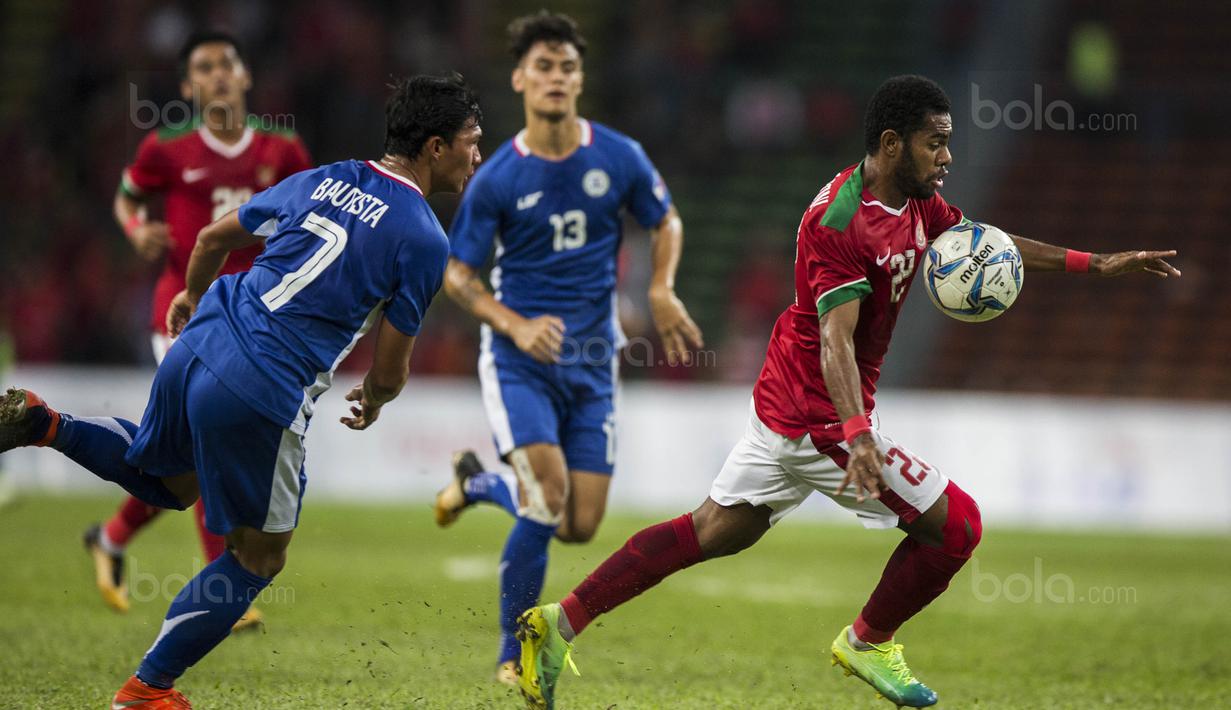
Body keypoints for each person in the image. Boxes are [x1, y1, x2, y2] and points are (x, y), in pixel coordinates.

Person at [514, 75, 1181, 709]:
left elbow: (984, 248)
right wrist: (856, 434)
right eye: (934, 142)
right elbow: (836, 338)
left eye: (947, 141)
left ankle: (557, 622)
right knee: (956, 529)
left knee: (712, 531)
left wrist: (1094, 263)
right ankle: (867, 641)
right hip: (820, 414)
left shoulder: (918, 201)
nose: (947, 155)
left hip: (789, 396)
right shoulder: (837, 221)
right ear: (891, 144)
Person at [0, 74, 481, 708]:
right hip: (265, 383)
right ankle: (148, 689)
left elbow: (210, 239)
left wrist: (191, 298)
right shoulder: (424, 237)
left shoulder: (324, 177)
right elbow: (389, 370)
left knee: (168, 480)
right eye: (473, 142)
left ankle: (45, 424)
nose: (479, 155)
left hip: (204, 337)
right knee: (260, 559)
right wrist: (377, 400)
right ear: (436, 147)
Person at [430, 10, 704, 684]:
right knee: (547, 499)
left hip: (592, 363)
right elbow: (456, 275)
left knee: (579, 523)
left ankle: (479, 483)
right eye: (543, 66)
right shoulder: (496, 177)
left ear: (579, 79)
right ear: (521, 78)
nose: (556, 77)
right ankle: (510, 650)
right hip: (519, 361)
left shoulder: (618, 155)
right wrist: (513, 324)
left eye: (567, 67)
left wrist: (662, 289)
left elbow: (664, 220)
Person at [87, 29, 312, 624]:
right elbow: (126, 198)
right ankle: (226, 590)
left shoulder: (283, 149)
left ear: (245, 77)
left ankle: (110, 536)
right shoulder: (167, 148)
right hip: (182, 309)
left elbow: (308, 214)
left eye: (225, 65)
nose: (216, 75)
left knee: (183, 464)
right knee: (210, 433)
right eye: (203, 68)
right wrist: (137, 232)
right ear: (188, 86)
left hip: (255, 316)